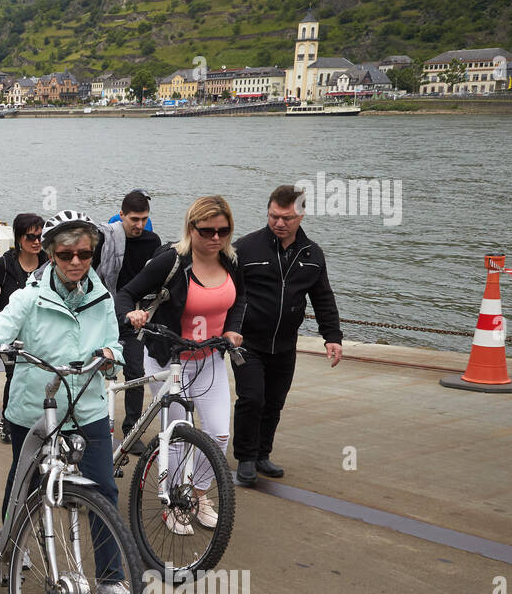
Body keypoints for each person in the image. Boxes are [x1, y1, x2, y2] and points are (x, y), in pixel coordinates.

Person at [0, 210, 128, 594]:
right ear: (52, 254)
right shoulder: (29, 296)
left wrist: (110, 354)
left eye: (85, 254)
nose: (76, 262)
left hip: (86, 407)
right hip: (34, 408)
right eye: (67, 254)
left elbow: (117, 347)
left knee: (104, 490)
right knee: (25, 486)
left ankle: (110, 579)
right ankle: (11, 552)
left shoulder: (102, 297)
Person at [114, 196, 245, 531]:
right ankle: (171, 501)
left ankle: (197, 494)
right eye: (207, 231)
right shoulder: (171, 262)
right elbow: (125, 293)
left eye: (223, 230)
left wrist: (232, 330)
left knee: (218, 433)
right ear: (192, 228)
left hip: (210, 358)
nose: (216, 237)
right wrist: (132, 314)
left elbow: (240, 298)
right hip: (169, 360)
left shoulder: (231, 260)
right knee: (177, 436)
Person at [231, 185, 343, 486]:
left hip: (284, 345)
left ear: (302, 215)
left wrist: (332, 336)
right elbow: (227, 290)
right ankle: (245, 458)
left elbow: (322, 298)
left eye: (287, 218)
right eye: (273, 216)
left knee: (274, 402)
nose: (279, 223)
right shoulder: (246, 248)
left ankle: (262, 454)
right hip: (247, 342)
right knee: (251, 399)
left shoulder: (312, 254)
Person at [0, 213, 46, 442]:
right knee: (14, 376)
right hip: (12, 335)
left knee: (39, 376)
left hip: (38, 332)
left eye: (40, 236)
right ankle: (7, 420)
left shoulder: (47, 262)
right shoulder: (6, 263)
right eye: (31, 237)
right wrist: (0, 317)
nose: (37, 241)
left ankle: (36, 420)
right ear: (19, 239)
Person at [111, 189, 162, 453]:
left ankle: (131, 429)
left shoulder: (153, 242)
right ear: (122, 216)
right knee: (95, 371)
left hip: (134, 318)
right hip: (107, 313)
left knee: (136, 373)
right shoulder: (108, 239)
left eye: (144, 219)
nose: (139, 225)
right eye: (134, 219)